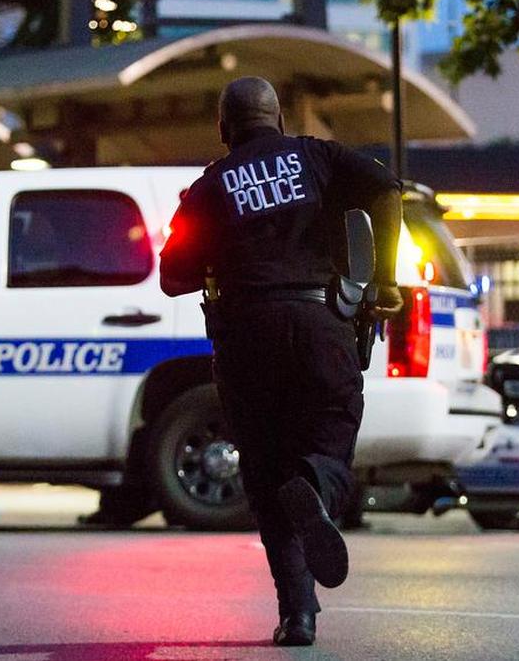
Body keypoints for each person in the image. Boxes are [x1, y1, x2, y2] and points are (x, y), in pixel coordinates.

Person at [158, 76, 404, 647]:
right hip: (322, 326)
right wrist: (385, 278)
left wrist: (220, 247)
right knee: (331, 434)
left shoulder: (210, 187)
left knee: (267, 474)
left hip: (247, 339)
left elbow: (173, 277)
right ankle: (317, 486)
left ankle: (299, 615)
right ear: (280, 121)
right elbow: (386, 188)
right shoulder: (317, 157)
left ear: (224, 129)